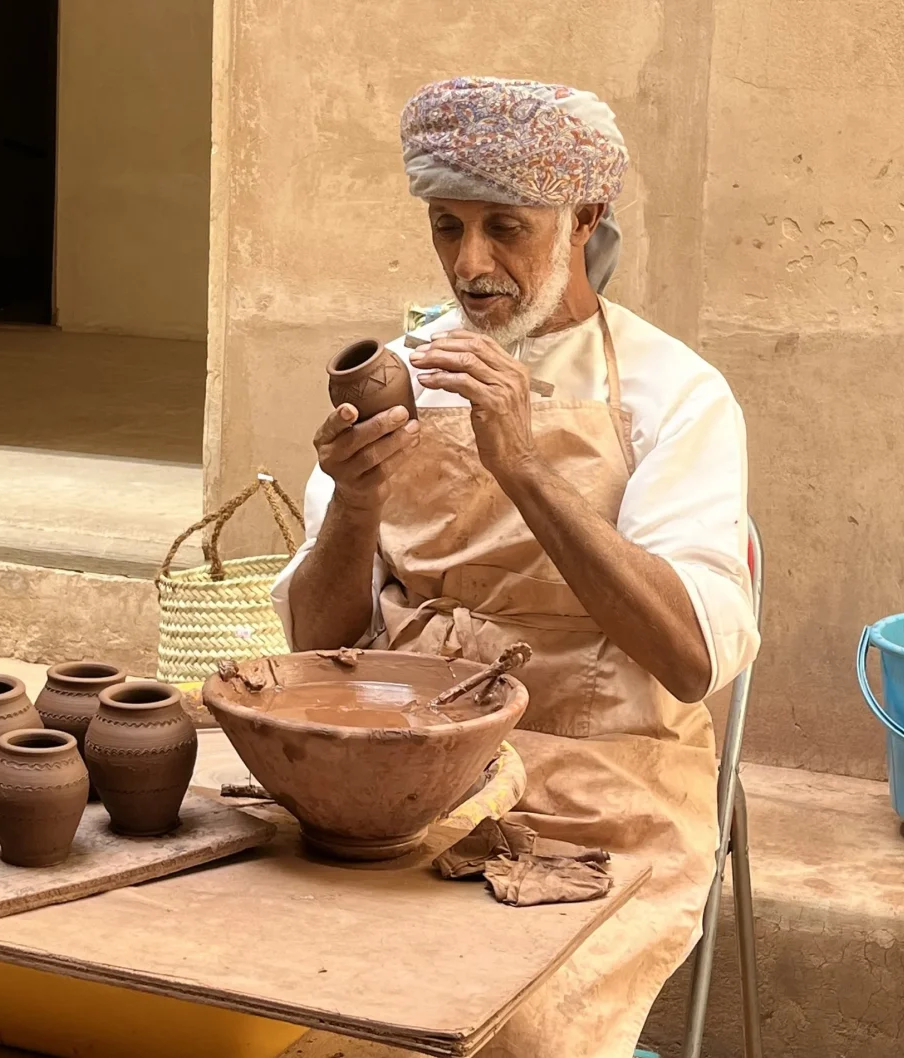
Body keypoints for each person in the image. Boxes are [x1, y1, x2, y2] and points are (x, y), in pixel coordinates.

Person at [270, 77, 761, 1057]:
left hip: (605, 781)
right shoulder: (408, 376)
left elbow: (691, 656)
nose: (470, 262)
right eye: (446, 227)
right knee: (283, 991)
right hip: (404, 771)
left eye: (504, 226)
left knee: (516, 1026)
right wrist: (356, 506)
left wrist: (526, 466)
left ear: (586, 217)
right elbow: (316, 645)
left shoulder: (675, 395)